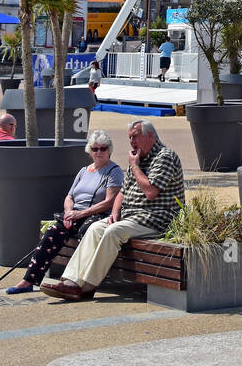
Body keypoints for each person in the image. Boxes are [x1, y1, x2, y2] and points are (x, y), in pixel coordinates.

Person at [41, 119, 184, 301]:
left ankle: (87, 287)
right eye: (129, 137)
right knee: (95, 229)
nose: (132, 141)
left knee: (112, 232)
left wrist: (134, 165)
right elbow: (122, 193)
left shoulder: (165, 157)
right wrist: (115, 213)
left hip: (156, 217)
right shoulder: (138, 157)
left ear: (150, 136)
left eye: (135, 136)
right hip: (131, 216)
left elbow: (150, 191)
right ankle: (71, 282)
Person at [6, 131, 123, 293]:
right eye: (95, 149)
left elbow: (109, 202)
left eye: (103, 149)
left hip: (97, 215)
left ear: (109, 150)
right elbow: (70, 196)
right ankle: (28, 280)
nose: (99, 152)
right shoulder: (84, 171)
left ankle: (79, 281)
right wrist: (69, 212)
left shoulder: (114, 171)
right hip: (74, 214)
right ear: (89, 151)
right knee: (52, 232)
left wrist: (80, 214)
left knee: (86, 231)